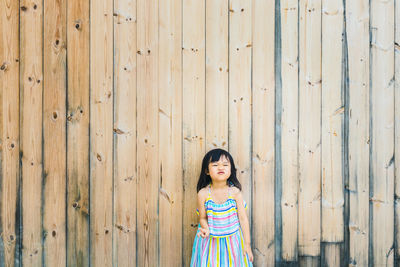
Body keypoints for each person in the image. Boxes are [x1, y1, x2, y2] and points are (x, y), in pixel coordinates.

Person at [190, 148, 254, 266]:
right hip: (210, 242)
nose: (221, 167)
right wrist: (206, 229)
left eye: (225, 164)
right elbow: (203, 218)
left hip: (233, 241)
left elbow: (243, 219)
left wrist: (247, 244)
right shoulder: (203, 194)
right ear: (207, 171)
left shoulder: (235, 193)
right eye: (215, 165)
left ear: (231, 170)